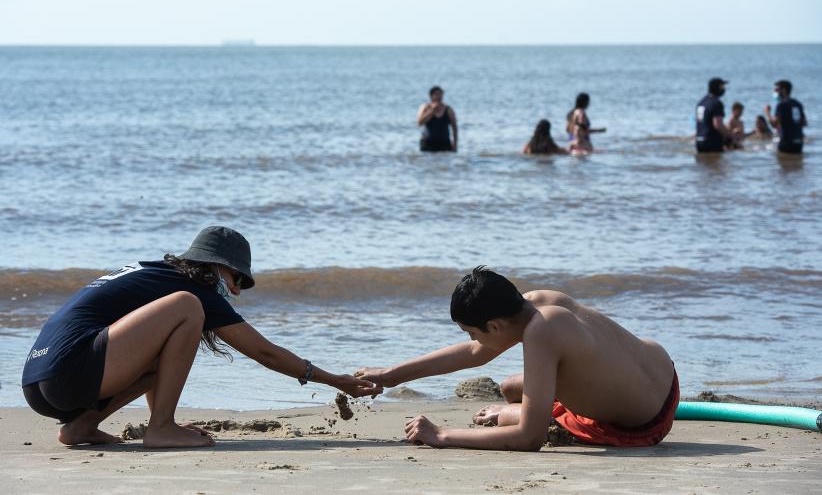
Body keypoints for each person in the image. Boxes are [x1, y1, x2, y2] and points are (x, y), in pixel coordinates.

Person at [21, 226, 380, 448]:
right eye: (238, 279)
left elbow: (143, 348)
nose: (237, 291)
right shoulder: (192, 288)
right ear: (216, 265)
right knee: (187, 308)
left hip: (39, 380)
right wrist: (336, 381)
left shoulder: (157, 273)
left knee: (172, 332)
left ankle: (82, 425)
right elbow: (264, 353)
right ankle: (161, 428)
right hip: (71, 370)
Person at [356, 266, 678, 451]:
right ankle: (520, 408)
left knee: (528, 416)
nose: (473, 342)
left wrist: (439, 434)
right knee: (512, 386)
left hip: (643, 423)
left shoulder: (541, 332)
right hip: (664, 373)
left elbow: (529, 438)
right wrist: (389, 375)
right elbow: (474, 354)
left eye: (473, 332)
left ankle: (521, 411)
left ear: (494, 326)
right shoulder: (537, 302)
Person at [765, 79, 807, 154]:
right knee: (797, 164)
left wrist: (767, 112)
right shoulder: (798, 104)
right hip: (798, 142)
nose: (775, 93)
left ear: (783, 90)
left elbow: (774, 124)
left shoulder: (781, 105)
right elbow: (804, 123)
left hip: (786, 142)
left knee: (784, 164)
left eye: (776, 90)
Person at [695, 78, 735, 153]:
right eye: (722, 86)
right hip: (712, 142)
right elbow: (718, 125)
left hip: (699, 141)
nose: (724, 89)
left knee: (703, 164)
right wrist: (731, 136)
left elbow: (700, 123)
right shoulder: (716, 103)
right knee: (716, 164)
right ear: (717, 88)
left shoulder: (701, 103)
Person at [417, 86, 458, 152]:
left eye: (441, 94)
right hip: (427, 143)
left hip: (444, 143)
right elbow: (419, 123)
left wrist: (455, 144)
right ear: (431, 96)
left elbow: (454, 127)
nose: (439, 97)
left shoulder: (448, 109)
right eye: (436, 94)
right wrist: (432, 111)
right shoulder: (425, 107)